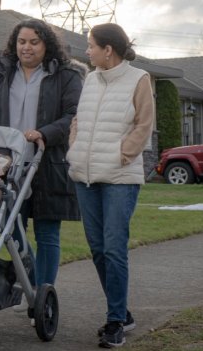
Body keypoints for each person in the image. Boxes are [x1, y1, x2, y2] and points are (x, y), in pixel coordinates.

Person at [0, 18, 84, 294]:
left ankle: (44, 293)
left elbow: (74, 114)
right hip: (8, 167)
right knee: (13, 232)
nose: (27, 48)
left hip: (48, 163)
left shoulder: (66, 75)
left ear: (47, 45)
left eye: (34, 42)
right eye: (22, 42)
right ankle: (35, 288)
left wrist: (45, 133)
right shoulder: (2, 74)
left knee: (47, 234)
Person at [66, 23, 154, 348]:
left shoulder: (139, 79)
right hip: (85, 178)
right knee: (98, 249)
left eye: (91, 46)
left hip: (120, 178)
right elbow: (79, 120)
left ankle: (115, 321)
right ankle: (123, 313)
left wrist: (122, 154)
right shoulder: (90, 80)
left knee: (115, 248)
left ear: (108, 50)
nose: (87, 51)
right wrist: (74, 150)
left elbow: (144, 125)